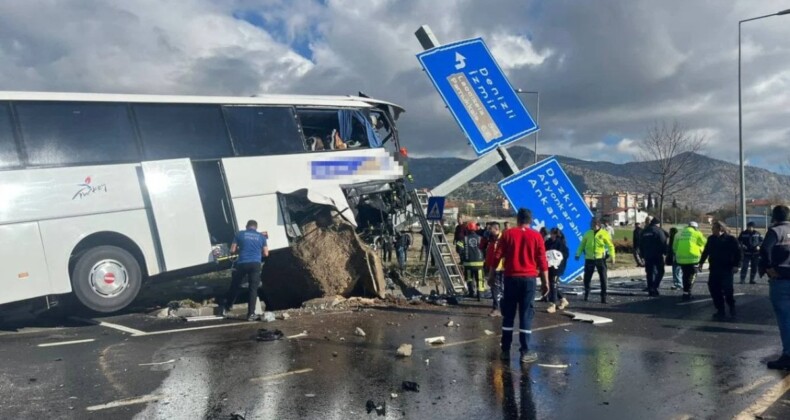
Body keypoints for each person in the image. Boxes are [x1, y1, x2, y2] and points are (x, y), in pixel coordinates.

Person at [492, 208, 549, 364]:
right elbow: (542, 261)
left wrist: (491, 275)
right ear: (530, 221)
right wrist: (546, 282)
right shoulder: (536, 236)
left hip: (510, 278)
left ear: (517, 219)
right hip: (529, 279)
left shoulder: (508, 234)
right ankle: (525, 351)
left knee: (508, 315)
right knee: (525, 314)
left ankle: (505, 350)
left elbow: (497, 256)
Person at [760, 205, 790, 370]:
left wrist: (769, 267)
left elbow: (765, 249)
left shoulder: (776, 231)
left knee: (785, 318)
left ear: (774, 217)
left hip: (782, 279)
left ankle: (788, 355)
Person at [223, 220, 269, 321]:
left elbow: (232, 250)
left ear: (247, 226)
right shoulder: (261, 237)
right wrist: (257, 253)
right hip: (255, 264)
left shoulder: (240, 234)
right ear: (256, 227)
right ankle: (251, 314)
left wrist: (241, 249)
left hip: (242, 263)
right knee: (253, 289)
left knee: (235, 284)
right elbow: (266, 253)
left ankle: (227, 307)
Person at [699, 221, 742, 320]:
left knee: (727, 290)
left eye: (714, 229)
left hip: (727, 268)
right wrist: (701, 262)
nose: (712, 230)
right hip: (714, 268)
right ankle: (720, 309)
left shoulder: (731, 239)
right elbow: (706, 251)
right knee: (714, 288)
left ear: (720, 229)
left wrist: (737, 265)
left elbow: (738, 253)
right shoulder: (711, 239)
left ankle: (731, 306)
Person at [576, 219, 616, 303]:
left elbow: (610, 246)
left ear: (598, 225)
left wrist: (612, 256)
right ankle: (587, 293)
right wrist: (578, 254)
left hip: (600, 259)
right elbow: (582, 245)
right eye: (592, 225)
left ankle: (603, 297)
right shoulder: (588, 233)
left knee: (603, 278)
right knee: (587, 278)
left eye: (594, 225)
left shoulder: (604, 233)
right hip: (589, 259)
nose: (593, 226)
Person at [673, 221, 707, 301]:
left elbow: (674, 247)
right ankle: (688, 292)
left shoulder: (678, 234)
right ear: (695, 227)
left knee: (685, 275)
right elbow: (704, 242)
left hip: (681, 259)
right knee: (692, 276)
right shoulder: (697, 233)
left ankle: (685, 292)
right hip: (693, 258)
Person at [640, 218, 668, 296]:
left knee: (649, 272)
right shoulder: (658, 231)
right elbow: (663, 241)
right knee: (660, 271)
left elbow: (640, 244)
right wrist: (665, 252)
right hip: (657, 254)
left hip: (647, 255)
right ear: (657, 224)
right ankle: (654, 286)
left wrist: (642, 255)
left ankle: (650, 288)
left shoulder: (644, 231)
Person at [545, 227, 570, 313]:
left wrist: (558, 259)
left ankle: (553, 304)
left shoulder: (561, 243)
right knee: (552, 284)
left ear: (555, 234)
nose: (550, 235)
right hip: (549, 266)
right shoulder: (548, 242)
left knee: (553, 284)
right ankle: (563, 299)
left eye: (552, 233)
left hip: (557, 267)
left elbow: (565, 255)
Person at [485, 222, 505, 317]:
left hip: (500, 268)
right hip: (493, 267)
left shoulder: (502, 239)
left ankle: (498, 308)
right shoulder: (492, 239)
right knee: (494, 288)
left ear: (496, 229)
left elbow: (498, 255)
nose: (489, 231)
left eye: (490, 229)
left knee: (498, 288)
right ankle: (497, 308)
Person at [461, 222, 485, 299]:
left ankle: (471, 292)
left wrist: (463, 257)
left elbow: (459, 248)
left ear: (467, 229)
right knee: (480, 279)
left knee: (469, 278)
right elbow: (485, 248)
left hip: (468, 263)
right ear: (475, 229)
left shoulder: (464, 238)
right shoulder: (480, 238)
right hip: (479, 263)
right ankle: (480, 294)